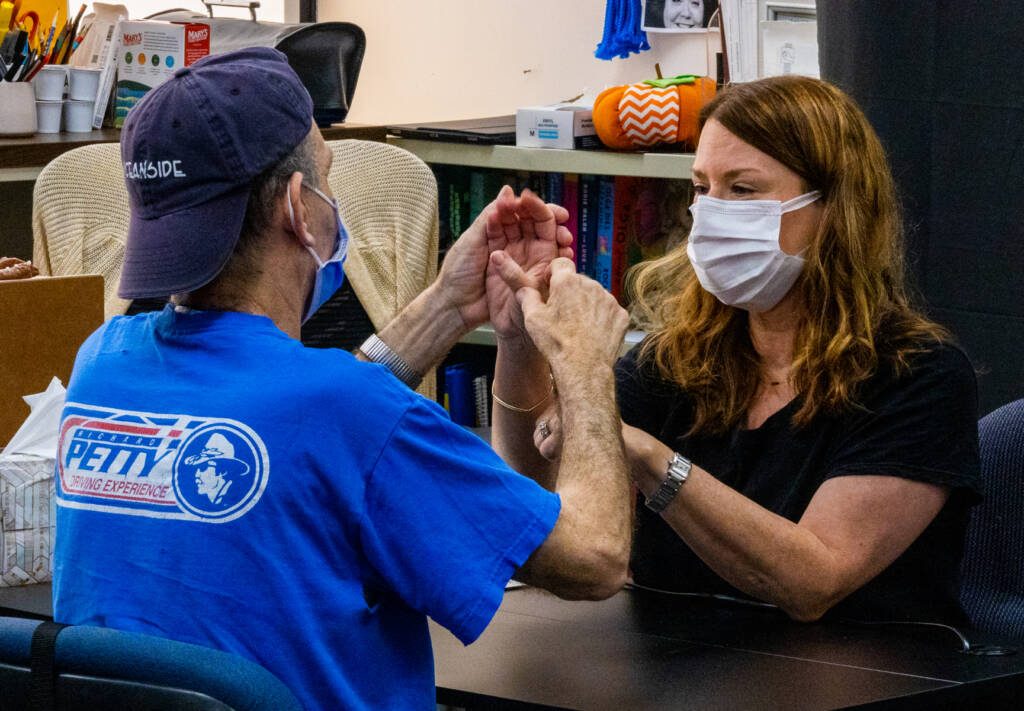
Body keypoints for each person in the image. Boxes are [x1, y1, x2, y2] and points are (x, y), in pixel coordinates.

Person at [52, 47, 634, 710]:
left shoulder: (101, 365)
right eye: (327, 177)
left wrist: (449, 301)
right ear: (301, 208)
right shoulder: (346, 413)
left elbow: (296, 430)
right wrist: (584, 363)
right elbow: (595, 557)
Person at [493, 75, 981, 625]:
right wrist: (518, 340)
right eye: (702, 188)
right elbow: (538, 496)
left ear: (834, 211)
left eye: (743, 190)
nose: (712, 213)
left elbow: (812, 582)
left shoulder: (917, 376)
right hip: (675, 667)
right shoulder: (675, 361)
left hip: (866, 679)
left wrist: (647, 456)